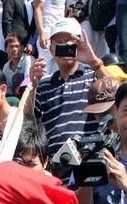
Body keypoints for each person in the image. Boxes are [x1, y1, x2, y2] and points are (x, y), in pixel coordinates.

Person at [26, 17, 109, 167]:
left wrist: (94, 62)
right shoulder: (44, 84)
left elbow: (121, 93)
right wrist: (32, 86)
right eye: (59, 43)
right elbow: (29, 118)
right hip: (56, 166)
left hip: (89, 162)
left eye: (69, 40)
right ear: (51, 49)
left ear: (80, 44)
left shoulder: (94, 76)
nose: (64, 46)